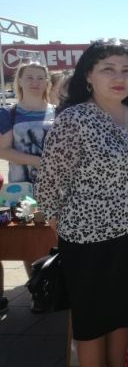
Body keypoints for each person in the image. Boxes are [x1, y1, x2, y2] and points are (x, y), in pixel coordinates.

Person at [35, 39, 128, 366]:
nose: (119, 77)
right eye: (108, 69)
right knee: (92, 322)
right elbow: (48, 184)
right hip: (88, 240)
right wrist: (60, 226)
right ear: (88, 74)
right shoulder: (74, 120)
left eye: (126, 70)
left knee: (123, 314)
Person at [0, 60, 55, 311]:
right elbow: (3, 150)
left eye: (40, 77)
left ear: (47, 82)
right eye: (29, 77)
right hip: (23, 192)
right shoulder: (8, 114)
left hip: (58, 189)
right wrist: (38, 161)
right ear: (19, 81)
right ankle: (38, 291)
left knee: (56, 238)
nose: (35, 82)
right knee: (30, 241)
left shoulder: (59, 112)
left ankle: (56, 287)